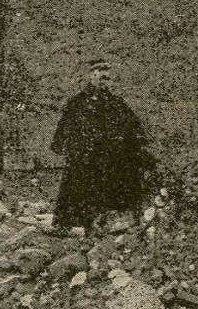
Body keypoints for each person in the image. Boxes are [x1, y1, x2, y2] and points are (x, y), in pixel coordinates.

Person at [51, 60, 155, 232]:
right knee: (80, 187)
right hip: (84, 158)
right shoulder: (77, 103)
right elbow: (65, 126)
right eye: (98, 74)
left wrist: (137, 142)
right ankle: (74, 225)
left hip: (108, 159)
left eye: (106, 77)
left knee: (111, 187)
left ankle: (107, 223)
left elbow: (132, 125)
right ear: (90, 75)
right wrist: (65, 145)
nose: (102, 80)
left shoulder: (116, 103)